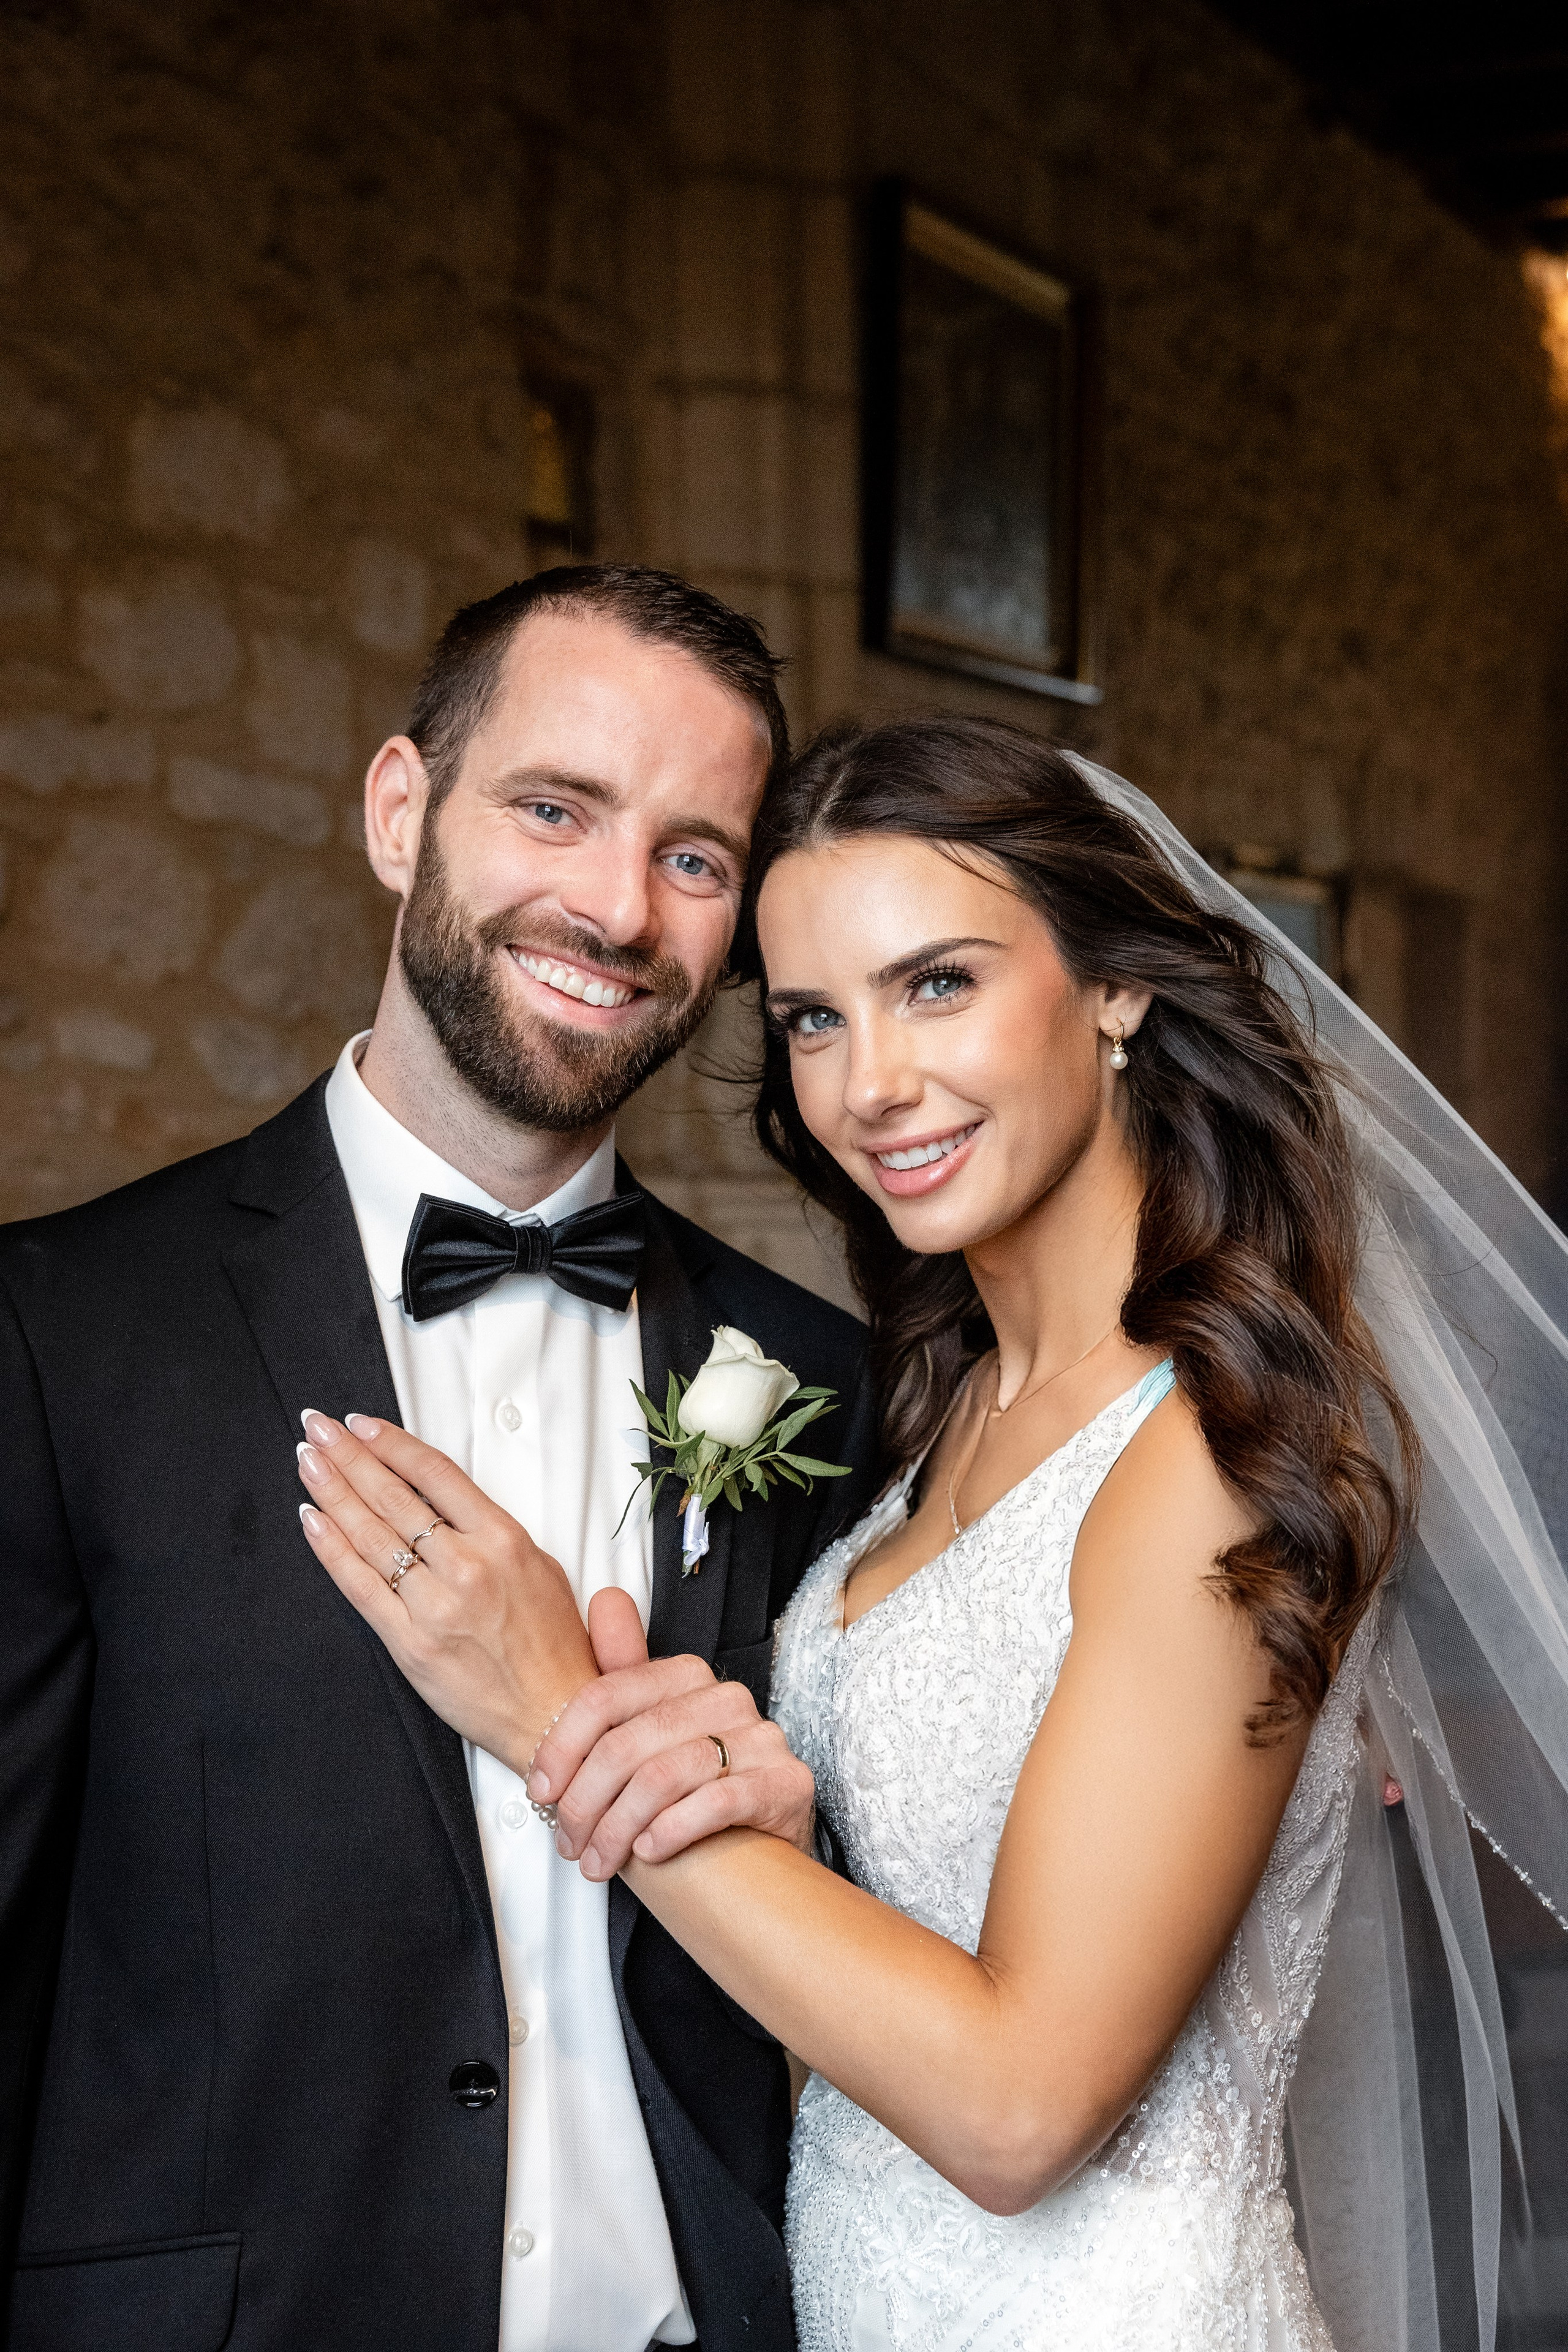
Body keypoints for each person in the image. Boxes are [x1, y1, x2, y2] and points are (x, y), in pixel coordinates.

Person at [295, 715, 1568, 2351]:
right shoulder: (939, 1411)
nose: (869, 1083)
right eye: (816, 1019)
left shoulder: (1214, 1459)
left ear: (1116, 988)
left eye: (938, 985)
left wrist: (553, 1713)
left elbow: (1020, 2109)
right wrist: (781, 1809)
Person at [0, 566, 879, 2352]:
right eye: (555, 808)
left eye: (695, 857)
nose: (618, 906)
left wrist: (816, 1840)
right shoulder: (61, 1332)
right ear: (402, 811)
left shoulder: (821, 1383)